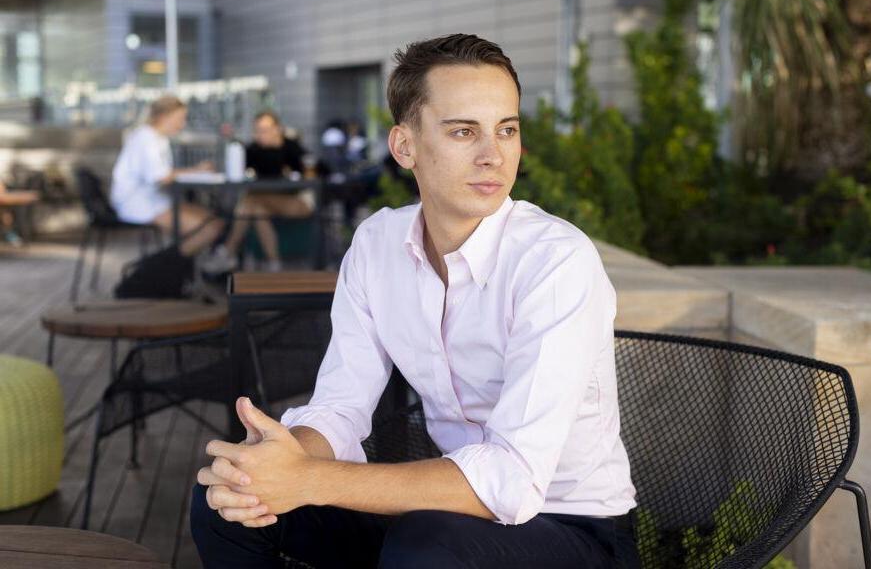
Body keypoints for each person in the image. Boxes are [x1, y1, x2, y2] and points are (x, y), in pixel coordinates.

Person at [191, 34, 639, 568]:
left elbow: (513, 481)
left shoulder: (556, 262)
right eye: (463, 131)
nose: (492, 155)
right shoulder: (379, 245)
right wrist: (278, 462)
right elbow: (341, 405)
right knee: (230, 500)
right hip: (445, 518)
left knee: (424, 546)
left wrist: (309, 478)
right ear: (405, 147)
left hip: (573, 529)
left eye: (507, 130)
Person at [203, 111, 316, 273]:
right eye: (258, 130)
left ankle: (228, 251)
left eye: (266, 129)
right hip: (266, 202)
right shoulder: (254, 150)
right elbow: (237, 170)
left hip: (300, 201)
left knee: (251, 201)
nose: (262, 134)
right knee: (256, 210)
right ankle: (274, 264)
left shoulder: (292, 147)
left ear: (278, 129)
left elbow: (311, 172)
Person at [110, 95, 223, 257]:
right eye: (179, 118)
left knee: (214, 221)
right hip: (138, 204)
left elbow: (164, 174)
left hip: (154, 200)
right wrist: (197, 171)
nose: (182, 124)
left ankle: (179, 269)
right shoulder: (145, 138)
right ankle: (164, 269)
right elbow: (161, 176)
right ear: (163, 117)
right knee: (209, 228)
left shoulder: (159, 139)